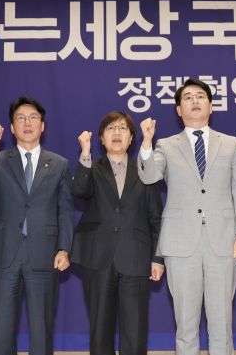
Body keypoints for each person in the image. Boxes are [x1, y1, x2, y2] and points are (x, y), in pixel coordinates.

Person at [137, 78, 236, 355]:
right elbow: (149, 176)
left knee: (221, 324)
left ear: (211, 106)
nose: (195, 101)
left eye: (200, 96)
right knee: (186, 325)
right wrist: (147, 142)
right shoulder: (165, 145)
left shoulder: (231, 143)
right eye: (187, 97)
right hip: (180, 243)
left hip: (223, 241)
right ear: (179, 110)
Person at [0, 96, 74, 355]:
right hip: (5, 253)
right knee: (2, 329)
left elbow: (65, 211)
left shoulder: (59, 163)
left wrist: (64, 248)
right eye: (20, 118)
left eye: (33, 118)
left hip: (44, 253)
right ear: (12, 127)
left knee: (41, 329)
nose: (27, 123)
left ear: (43, 126)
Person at [71, 111, 164, 355]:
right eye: (110, 128)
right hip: (98, 258)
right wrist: (85, 153)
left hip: (136, 257)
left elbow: (156, 217)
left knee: (135, 330)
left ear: (131, 138)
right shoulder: (91, 168)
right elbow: (79, 190)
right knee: (100, 329)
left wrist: (158, 258)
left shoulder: (145, 171)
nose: (116, 133)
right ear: (101, 139)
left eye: (123, 128)